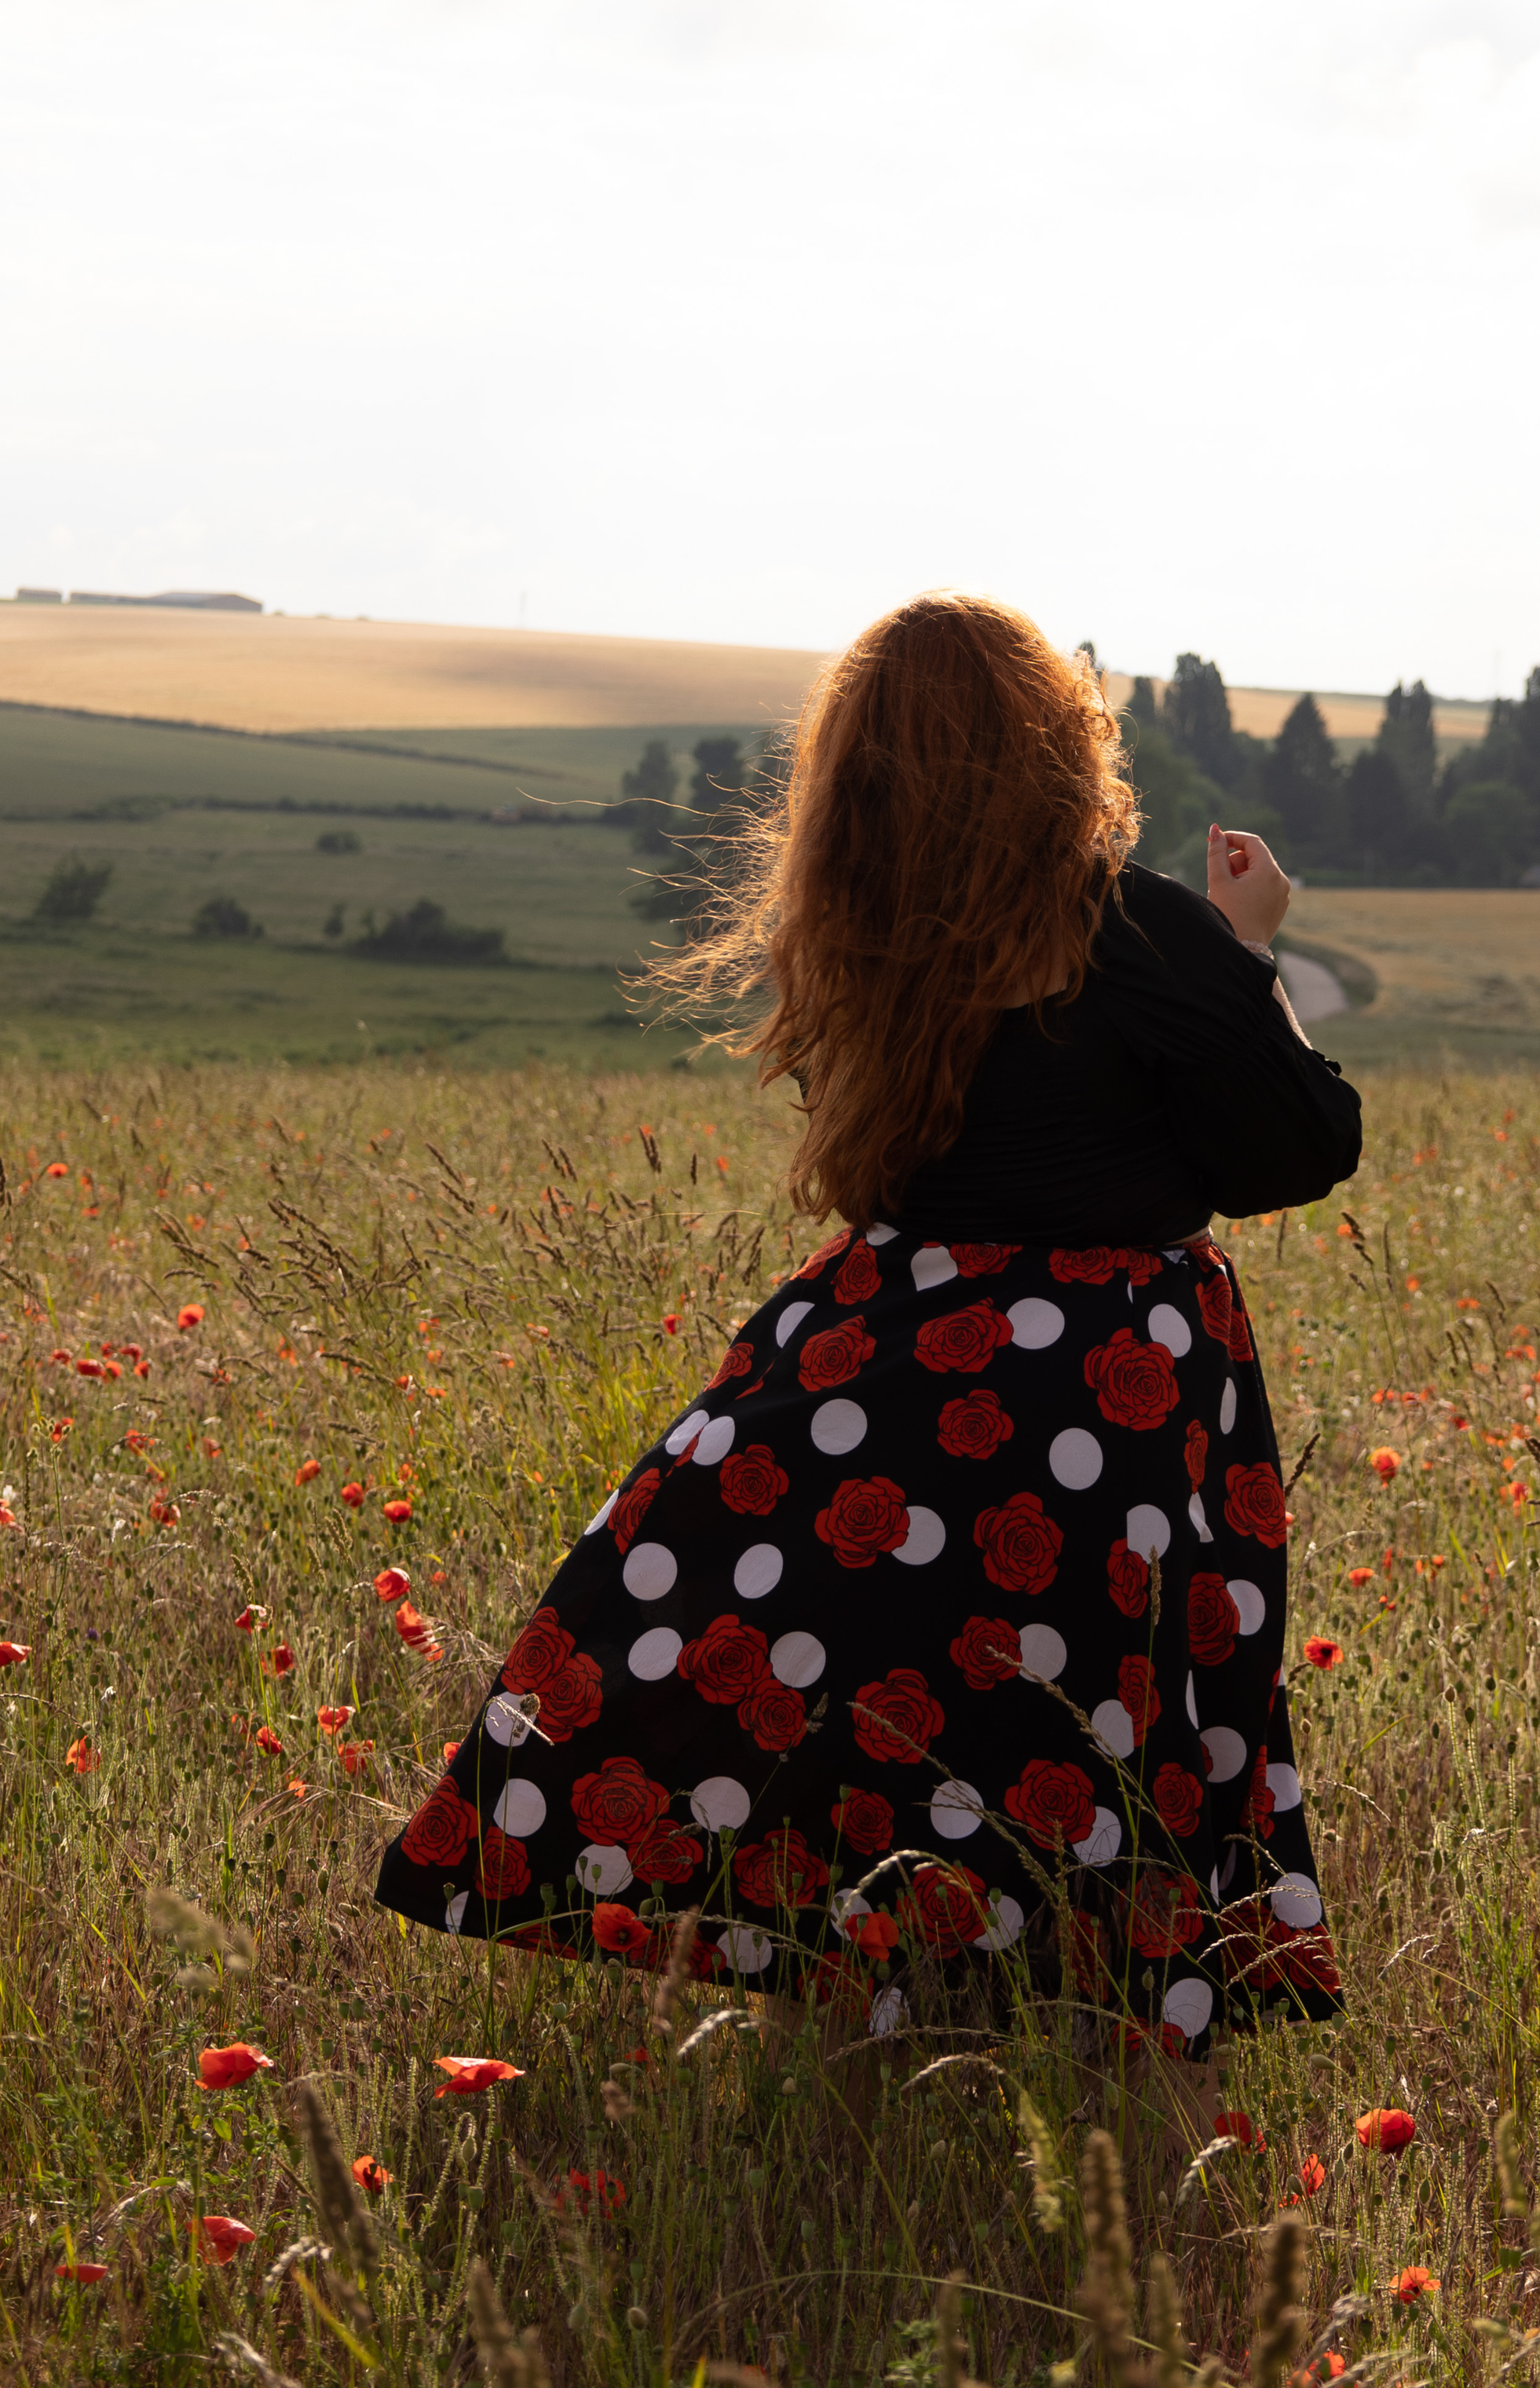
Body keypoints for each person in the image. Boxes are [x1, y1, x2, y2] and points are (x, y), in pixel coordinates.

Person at [374, 595, 1361, 2100]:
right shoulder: (1135, 924)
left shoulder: (859, 930)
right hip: (1109, 1390)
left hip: (876, 1367)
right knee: (1090, 1711)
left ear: (856, 772)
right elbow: (1299, 1149)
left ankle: (880, 1991)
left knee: (875, 1698)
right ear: (1057, 746)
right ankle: (1065, 2023)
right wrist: (1245, 957)